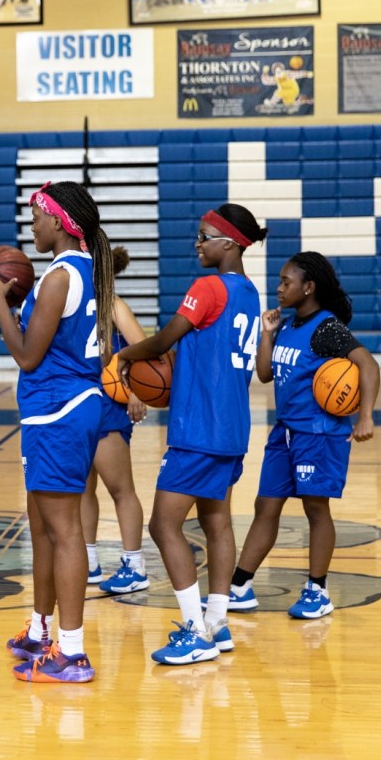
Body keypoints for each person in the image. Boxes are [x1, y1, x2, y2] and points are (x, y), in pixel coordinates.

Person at [117, 204, 266, 665]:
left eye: (204, 236)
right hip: (232, 428)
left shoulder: (208, 287)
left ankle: (195, 630)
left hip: (198, 428)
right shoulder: (250, 292)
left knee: (163, 526)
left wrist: (124, 357)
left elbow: (164, 340)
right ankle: (217, 623)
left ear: (229, 243)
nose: (197, 244)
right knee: (217, 523)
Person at [0, 181, 115, 684]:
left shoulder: (60, 276)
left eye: (36, 218)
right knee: (42, 527)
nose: (31, 226)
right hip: (60, 409)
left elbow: (27, 355)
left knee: (64, 531)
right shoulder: (84, 270)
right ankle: (40, 630)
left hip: (59, 410)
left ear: (58, 221)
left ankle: (72, 653)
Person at [230, 252, 380, 619]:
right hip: (285, 432)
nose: (279, 288)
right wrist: (267, 334)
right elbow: (264, 374)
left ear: (308, 287)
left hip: (318, 433)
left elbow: (368, 364)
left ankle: (318, 590)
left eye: (286, 282)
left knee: (316, 508)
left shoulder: (327, 328)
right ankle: (239, 588)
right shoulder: (288, 325)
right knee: (266, 506)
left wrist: (365, 416)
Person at [84, 247, 151, 594]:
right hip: (81, 404)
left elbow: (145, 350)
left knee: (120, 489)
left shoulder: (112, 305)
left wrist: (138, 391)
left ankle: (135, 565)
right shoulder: (74, 304)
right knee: (82, 488)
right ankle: (88, 561)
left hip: (109, 406)